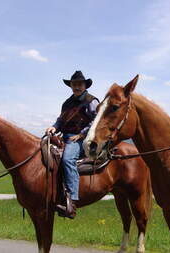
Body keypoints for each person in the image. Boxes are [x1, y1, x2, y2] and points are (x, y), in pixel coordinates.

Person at [45, 70, 99, 219]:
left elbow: (97, 121)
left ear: (84, 85)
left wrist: (82, 134)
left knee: (68, 159)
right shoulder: (67, 103)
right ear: (71, 86)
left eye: (79, 84)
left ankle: (72, 200)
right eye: (74, 84)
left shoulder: (91, 100)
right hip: (66, 137)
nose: (77, 87)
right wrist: (54, 127)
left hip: (82, 138)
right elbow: (61, 120)